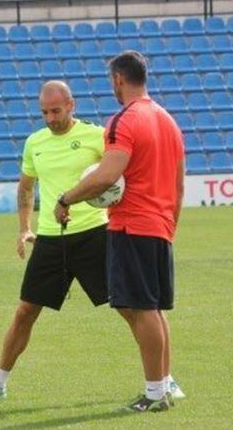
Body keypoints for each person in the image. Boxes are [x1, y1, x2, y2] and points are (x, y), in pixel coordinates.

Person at [54, 51, 186, 412]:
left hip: (133, 224)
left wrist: (67, 198)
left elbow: (107, 176)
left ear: (118, 80)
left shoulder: (124, 120)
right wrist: (169, 223)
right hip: (159, 224)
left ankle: (155, 394)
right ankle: (166, 384)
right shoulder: (168, 120)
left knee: (142, 309)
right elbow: (178, 184)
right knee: (154, 309)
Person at [0, 80, 109, 404]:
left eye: (56, 110)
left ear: (71, 105)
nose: (50, 117)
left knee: (133, 306)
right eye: (44, 112)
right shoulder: (35, 142)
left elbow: (116, 177)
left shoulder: (97, 136)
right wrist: (24, 228)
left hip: (94, 234)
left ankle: (162, 379)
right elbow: (25, 189)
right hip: (51, 238)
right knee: (25, 312)